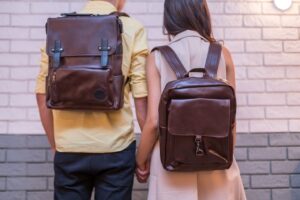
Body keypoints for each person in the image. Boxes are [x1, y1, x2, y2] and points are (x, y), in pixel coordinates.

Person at [35, 0, 148, 199]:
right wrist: (145, 156)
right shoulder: (133, 28)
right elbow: (141, 99)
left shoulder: (59, 28)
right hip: (117, 148)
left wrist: (55, 145)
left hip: (69, 146)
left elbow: (42, 94)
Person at [136, 0, 247, 199]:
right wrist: (225, 156)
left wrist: (141, 160)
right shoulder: (223, 54)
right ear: (202, 13)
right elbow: (231, 120)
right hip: (216, 160)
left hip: (170, 163)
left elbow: (153, 122)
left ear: (169, 17)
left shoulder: (158, 57)